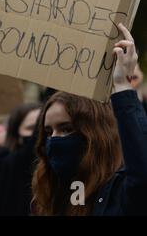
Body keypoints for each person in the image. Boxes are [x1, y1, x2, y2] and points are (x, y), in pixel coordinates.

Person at [31, 23, 147, 215]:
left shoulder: (120, 194)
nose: (55, 139)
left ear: (95, 132)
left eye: (67, 129)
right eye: (49, 132)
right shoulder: (50, 193)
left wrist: (123, 85)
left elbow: (142, 175)